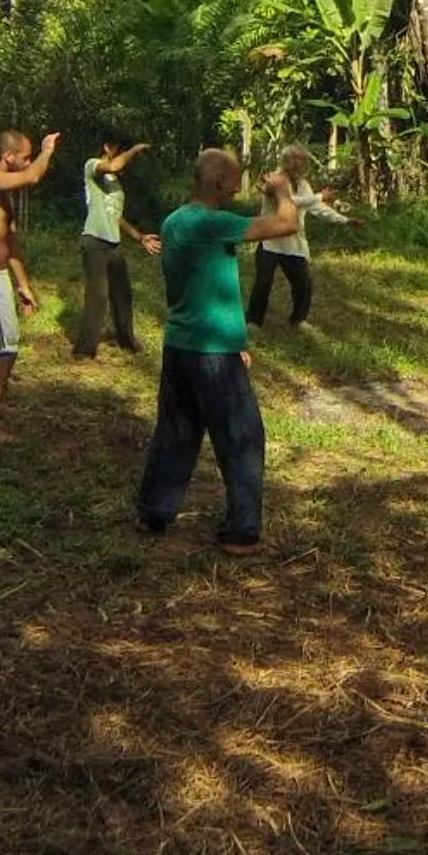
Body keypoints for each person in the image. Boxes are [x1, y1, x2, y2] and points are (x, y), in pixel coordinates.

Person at [135, 149, 300, 554]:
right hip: (211, 349)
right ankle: (242, 531)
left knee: (177, 431)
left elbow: (207, 285)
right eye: (235, 179)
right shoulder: (212, 223)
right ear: (217, 183)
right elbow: (287, 223)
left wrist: (239, 342)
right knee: (242, 435)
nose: (240, 186)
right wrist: (282, 190)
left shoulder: (176, 220)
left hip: (181, 342)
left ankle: (153, 511)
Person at [0, 126, 60, 442]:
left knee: (4, 350)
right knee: (3, 351)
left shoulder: (5, 193)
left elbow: (11, 243)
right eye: (25, 156)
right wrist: (46, 151)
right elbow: (31, 177)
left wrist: (23, 286)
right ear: (8, 157)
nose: (29, 161)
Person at [248, 144, 359, 329]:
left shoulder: (303, 184)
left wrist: (344, 220)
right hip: (270, 239)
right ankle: (253, 321)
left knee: (303, 283)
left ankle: (299, 319)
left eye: (301, 159)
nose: (298, 163)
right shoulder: (274, 180)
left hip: (293, 242)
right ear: (285, 161)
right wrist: (319, 196)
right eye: (294, 159)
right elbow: (288, 200)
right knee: (263, 282)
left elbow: (316, 208)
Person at [73, 137, 154, 358]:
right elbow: (114, 164)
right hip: (94, 240)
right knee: (98, 296)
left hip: (113, 242)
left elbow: (116, 216)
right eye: (120, 150)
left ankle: (126, 340)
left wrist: (140, 237)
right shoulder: (92, 166)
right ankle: (84, 350)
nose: (122, 156)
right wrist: (136, 149)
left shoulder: (115, 182)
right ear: (108, 148)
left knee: (122, 293)